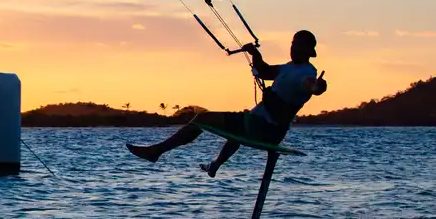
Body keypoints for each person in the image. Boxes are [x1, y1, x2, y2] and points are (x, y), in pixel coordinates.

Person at [126, 30, 328, 176]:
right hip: (258, 125)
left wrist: (319, 86)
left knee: (202, 119)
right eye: (293, 43)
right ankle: (215, 165)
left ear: (308, 51)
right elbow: (265, 71)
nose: (294, 48)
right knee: (236, 132)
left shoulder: (306, 73)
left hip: (264, 128)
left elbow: (313, 87)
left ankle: (156, 151)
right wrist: (255, 55)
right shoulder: (288, 67)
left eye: (299, 45)